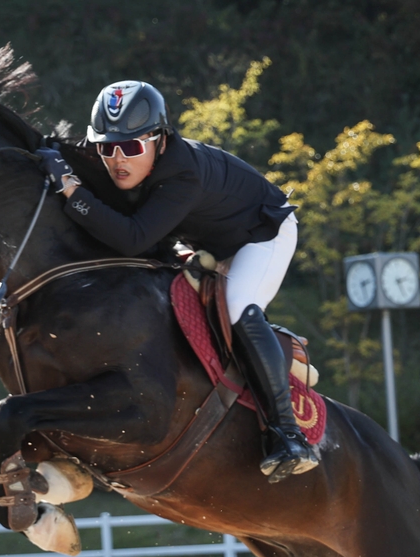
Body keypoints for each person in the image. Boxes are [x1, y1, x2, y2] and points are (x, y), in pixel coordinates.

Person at [34, 81, 318, 483]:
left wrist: (70, 190)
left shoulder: (183, 172)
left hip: (261, 234)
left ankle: (288, 436)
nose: (117, 160)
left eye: (130, 148)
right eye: (106, 148)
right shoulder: (124, 154)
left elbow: (132, 237)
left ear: (160, 139)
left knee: (238, 306)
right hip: (208, 239)